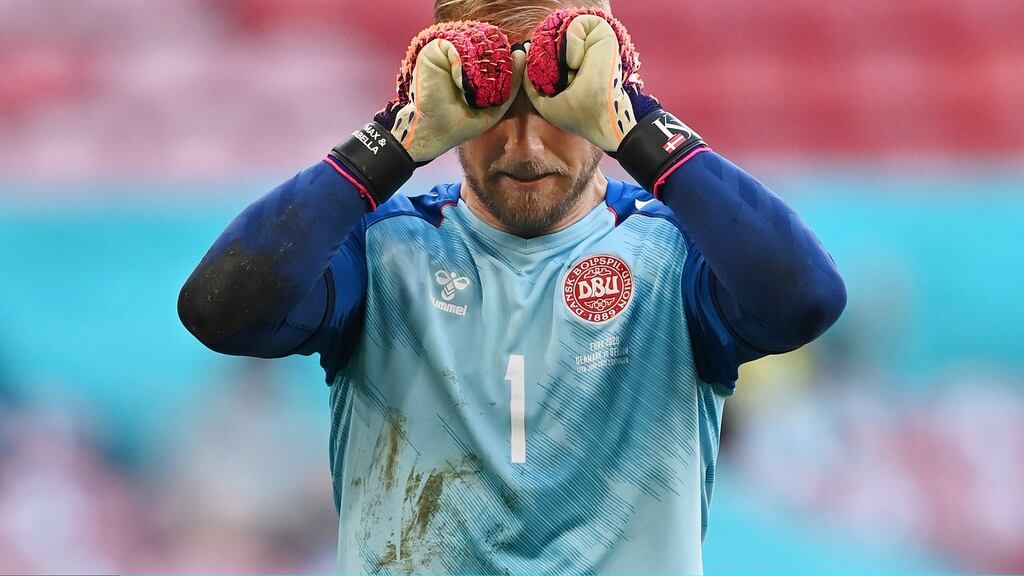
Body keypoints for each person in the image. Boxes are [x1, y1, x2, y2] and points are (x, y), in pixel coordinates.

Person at [177, 0, 847, 573]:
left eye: (558, 106)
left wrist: (638, 122)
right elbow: (219, 312)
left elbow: (806, 300)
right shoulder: (382, 250)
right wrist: (393, 136)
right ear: (447, 103)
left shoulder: (674, 255)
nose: (525, 146)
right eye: (492, 107)